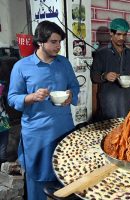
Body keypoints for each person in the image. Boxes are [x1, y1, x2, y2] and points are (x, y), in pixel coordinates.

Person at [8, 21, 79, 200]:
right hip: (37, 132)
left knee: (64, 173)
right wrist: (31, 97)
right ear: (40, 42)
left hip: (64, 129)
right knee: (37, 175)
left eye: (60, 42)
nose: (58, 46)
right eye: (54, 42)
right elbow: (12, 97)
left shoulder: (64, 63)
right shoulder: (22, 67)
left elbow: (74, 86)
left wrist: (71, 94)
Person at [91, 18, 130, 120]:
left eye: (124, 34)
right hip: (109, 99)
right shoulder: (101, 53)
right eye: (118, 34)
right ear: (111, 33)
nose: (122, 38)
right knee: (111, 128)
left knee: (128, 126)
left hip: (127, 98)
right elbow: (94, 77)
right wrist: (105, 76)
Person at [0, 82, 10, 165]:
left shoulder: (2, 86)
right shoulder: (2, 86)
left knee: (3, 150)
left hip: (3, 122)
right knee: (3, 148)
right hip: (4, 121)